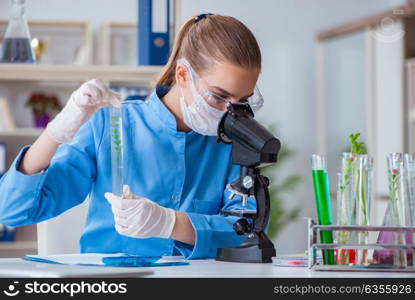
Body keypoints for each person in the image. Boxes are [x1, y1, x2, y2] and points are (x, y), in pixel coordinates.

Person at [0, 13, 264, 259]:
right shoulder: (111, 125)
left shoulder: (233, 144)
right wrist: (55, 133)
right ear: (183, 75)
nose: (229, 111)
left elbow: (247, 233)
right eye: (219, 96)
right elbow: (12, 210)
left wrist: (171, 223)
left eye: (242, 100)